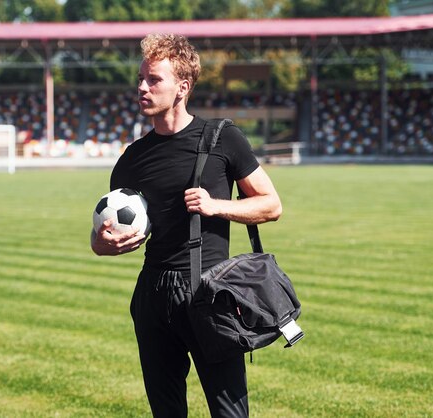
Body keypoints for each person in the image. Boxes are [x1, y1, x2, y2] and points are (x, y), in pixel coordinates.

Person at [91, 33, 282, 418]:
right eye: (140, 78)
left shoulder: (222, 138)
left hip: (208, 292)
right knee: (166, 411)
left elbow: (271, 205)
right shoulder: (132, 158)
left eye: (153, 79)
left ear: (183, 86)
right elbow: (102, 234)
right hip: (152, 293)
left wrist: (215, 206)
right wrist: (103, 244)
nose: (142, 87)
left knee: (230, 411)